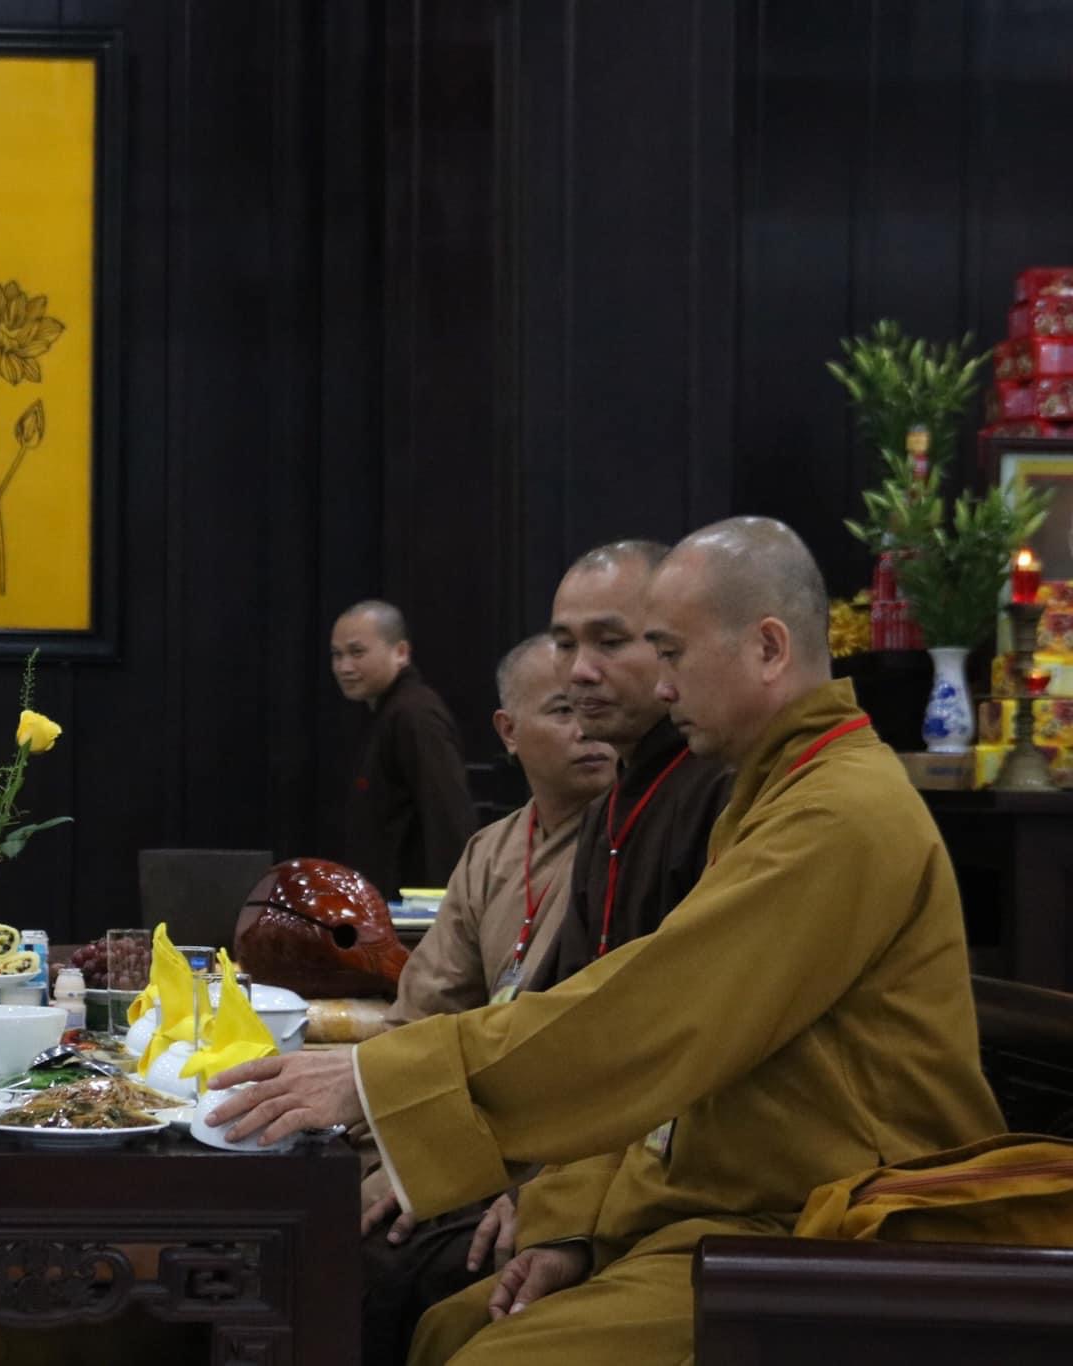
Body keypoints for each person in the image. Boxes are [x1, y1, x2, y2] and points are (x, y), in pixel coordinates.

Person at [213, 517, 1004, 1365]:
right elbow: (673, 1054)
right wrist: (575, 1221)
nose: (659, 687)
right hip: (730, 1202)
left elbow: (656, 1015)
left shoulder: (839, 812)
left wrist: (381, 1080)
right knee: (450, 1326)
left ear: (769, 648)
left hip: (842, 1229)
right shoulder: (772, 790)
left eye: (670, 654)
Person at [356, 634, 616, 1358]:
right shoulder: (492, 851)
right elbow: (420, 1019)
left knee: (401, 1273)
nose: (590, 730)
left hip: (559, 1168)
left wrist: (541, 1193)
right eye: (564, 710)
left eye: (600, 709)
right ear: (508, 731)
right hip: (464, 1144)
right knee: (336, 1225)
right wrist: (406, 1160)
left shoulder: (634, 846)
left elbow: (610, 1057)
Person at [532, 540, 734, 987]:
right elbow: (564, 988)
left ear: (672, 643)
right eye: (564, 644)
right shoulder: (602, 812)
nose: (580, 670)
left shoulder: (724, 785)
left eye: (610, 642)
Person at [332, 599, 479, 896]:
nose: (344, 667)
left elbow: (448, 816)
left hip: (416, 910)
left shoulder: (415, 715)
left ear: (400, 652)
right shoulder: (390, 713)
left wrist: (452, 906)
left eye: (357, 652)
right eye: (337, 655)